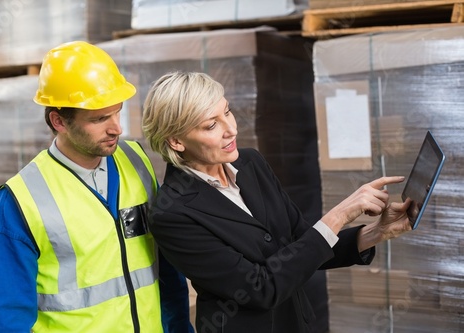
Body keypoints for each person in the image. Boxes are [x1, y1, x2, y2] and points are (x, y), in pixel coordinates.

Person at [141, 71, 413, 333]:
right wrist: (340, 214)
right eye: (211, 125)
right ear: (176, 141)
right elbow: (260, 288)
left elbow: (301, 245)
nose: (231, 129)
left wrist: (377, 232)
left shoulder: (250, 163)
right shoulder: (172, 214)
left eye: (227, 111)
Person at [0, 42, 193, 333]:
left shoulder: (136, 161)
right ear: (59, 121)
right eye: (99, 119)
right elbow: (12, 318)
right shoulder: (17, 202)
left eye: (117, 112)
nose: (117, 128)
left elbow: (167, 268)